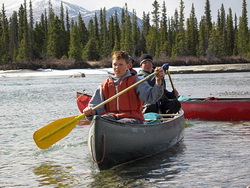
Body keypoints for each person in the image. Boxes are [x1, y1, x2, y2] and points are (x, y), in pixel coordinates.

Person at [82, 51, 165, 124]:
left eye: (120, 64)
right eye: (115, 64)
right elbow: (95, 107)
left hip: (133, 119)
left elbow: (152, 97)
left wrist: (158, 81)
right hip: (112, 118)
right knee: (99, 120)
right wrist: (90, 112)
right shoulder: (104, 85)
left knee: (120, 123)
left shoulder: (136, 81)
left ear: (128, 65)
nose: (117, 67)